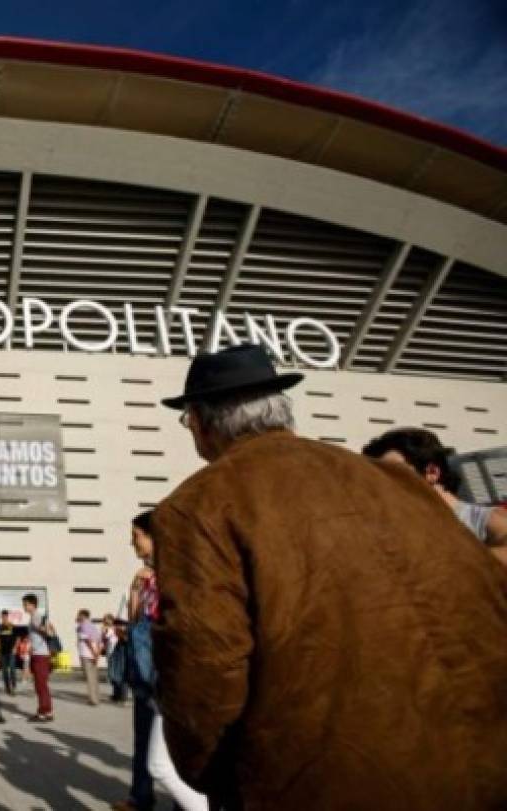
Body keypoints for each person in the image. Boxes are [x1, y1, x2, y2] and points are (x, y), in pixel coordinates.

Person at [152, 343, 507, 810]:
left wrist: (223, 779)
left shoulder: (198, 506)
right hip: (475, 764)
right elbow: (485, 600)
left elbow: (205, 668)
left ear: (200, 423)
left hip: (323, 782)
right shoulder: (392, 480)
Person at [112, 512, 207, 811]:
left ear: (154, 537)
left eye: (136, 536)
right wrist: (135, 589)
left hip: (165, 672)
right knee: (144, 738)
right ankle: (140, 797)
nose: (132, 543)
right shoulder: (145, 576)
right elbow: (135, 620)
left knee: (173, 747)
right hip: (144, 670)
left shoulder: (177, 573)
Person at [362, 426, 507, 569]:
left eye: (394, 471)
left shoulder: (483, 519)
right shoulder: (391, 528)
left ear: (432, 472)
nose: (385, 483)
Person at [22, 593, 56, 722]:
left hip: (41, 654)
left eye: (25, 604)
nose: (24, 607)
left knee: (41, 685)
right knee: (40, 684)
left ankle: (44, 712)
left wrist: (45, 630)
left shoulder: (36, 616)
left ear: (32, 604)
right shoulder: (36, 616)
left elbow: (50, 631)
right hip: (39, 653)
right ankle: (46, 711)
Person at [75, 608, 102, 706]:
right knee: (94, 677)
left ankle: (93, 700)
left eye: (78, 614)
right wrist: (97, 654)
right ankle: (97, 697)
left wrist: (93, 652)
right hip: (93, 654)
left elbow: (87, 640)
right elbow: (99, 641)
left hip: (86, 654)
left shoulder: (82, 626)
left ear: (83, 615)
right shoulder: (93, 626)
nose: (77, 616)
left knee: (89, 677)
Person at [0, 610, 16, 696]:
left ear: (7, 617)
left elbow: (17, 638)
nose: (4, 618)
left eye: (5, 617)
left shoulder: (12, 626)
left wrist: (15, 647)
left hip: (11, 652)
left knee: (12, 669)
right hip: (3, 652)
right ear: (1, 617)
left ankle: (13, 686)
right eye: (2, 617)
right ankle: (7, 687)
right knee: (4, 671)